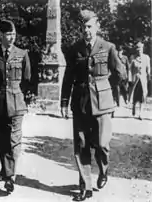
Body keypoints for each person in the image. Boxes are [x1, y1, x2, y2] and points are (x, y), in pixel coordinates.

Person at [60, 10, 125, 201]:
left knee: (102, 144)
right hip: (80, 103)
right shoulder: (74, 49)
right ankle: (86, 187)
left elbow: (120, 73)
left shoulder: (108, 47)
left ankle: (104, 171)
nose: (86, 30)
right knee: (81, 145)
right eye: (83, 27)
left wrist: (105, 87)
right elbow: (68, 78)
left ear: (97, 26)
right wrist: (64, 102)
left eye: (89, 26)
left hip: (102, 105)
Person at [0, 20, 31, 193]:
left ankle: (10, 177)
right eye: (7, 34)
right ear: (1, 35)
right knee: (1, 138)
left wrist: (18, 96)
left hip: (16, 103)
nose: (10, 38)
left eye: (13, 34)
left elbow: (27, 80)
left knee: (13, 140)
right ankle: (5, 169)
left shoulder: (22, 54)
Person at [130, 40, 150, 120]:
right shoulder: (133, 57)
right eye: (138, 48)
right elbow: (130, 70)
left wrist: (148, 76)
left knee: (142, 96)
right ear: (136, 49)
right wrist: (130, 79)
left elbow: (148, 68)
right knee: (135, 96)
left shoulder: (146, 57)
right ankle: (134, 107)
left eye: (140, 48)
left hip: (143, 80)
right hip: (135, 80)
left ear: (143, 49)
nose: (139, 50)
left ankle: (140, 114)